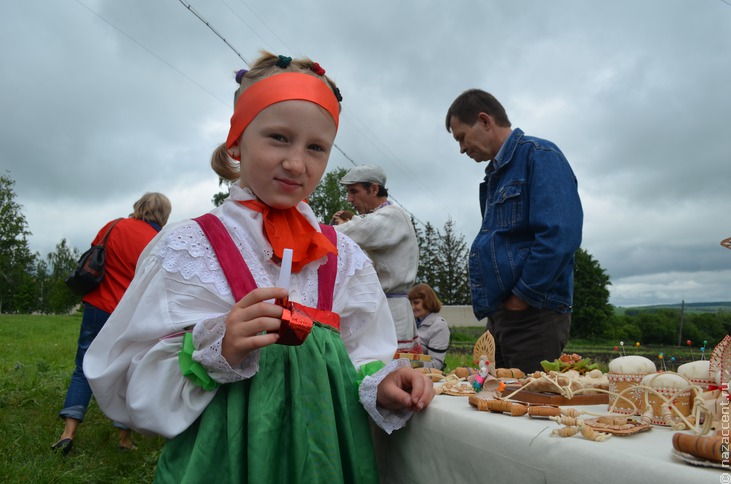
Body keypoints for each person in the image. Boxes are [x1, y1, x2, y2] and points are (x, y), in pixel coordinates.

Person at [83, 52, 433, 483]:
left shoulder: (341, 256)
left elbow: (363, 350)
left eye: (316, 148)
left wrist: (381, 382)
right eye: (279, 138)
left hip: (327, 457)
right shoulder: (190, 247)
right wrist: (219, 349)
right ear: (237, 141)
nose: (296, 163)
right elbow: (124, 370)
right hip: (225, 458)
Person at [445, 89, 583, 373]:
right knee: (495, 404)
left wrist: (521, 298)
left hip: (534, 315)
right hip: (505, 313)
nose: (461, 148)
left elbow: (559, 235)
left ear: (485, 121)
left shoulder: (540, 155)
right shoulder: (495, 176)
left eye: (461, 137)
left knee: (527, 407)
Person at [51, 192, 171, 455]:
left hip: (98, 306)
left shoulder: (113, 225)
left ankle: (68, 433)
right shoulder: (159, 240)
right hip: (129, 313)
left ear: (139, 206)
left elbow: (96, 253)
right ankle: (124, 440)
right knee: (126, 371)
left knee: (83, 367)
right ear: (164, 215)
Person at [332, 164, 420, 352]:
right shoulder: (382, 216)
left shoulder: (391, 216)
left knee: (391, 371)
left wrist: (307, 230)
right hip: (384, 306)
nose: (349, 198)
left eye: (354, 191)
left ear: (373, 189)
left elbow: (349, 233)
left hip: (392, 310)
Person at [408, 284, 450, 370]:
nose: (412, 307)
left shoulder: (439, 326)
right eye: (410, 303)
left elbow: (436, 364)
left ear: (428, 301)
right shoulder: (410, 323)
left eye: (416, 303)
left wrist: (408, 365)